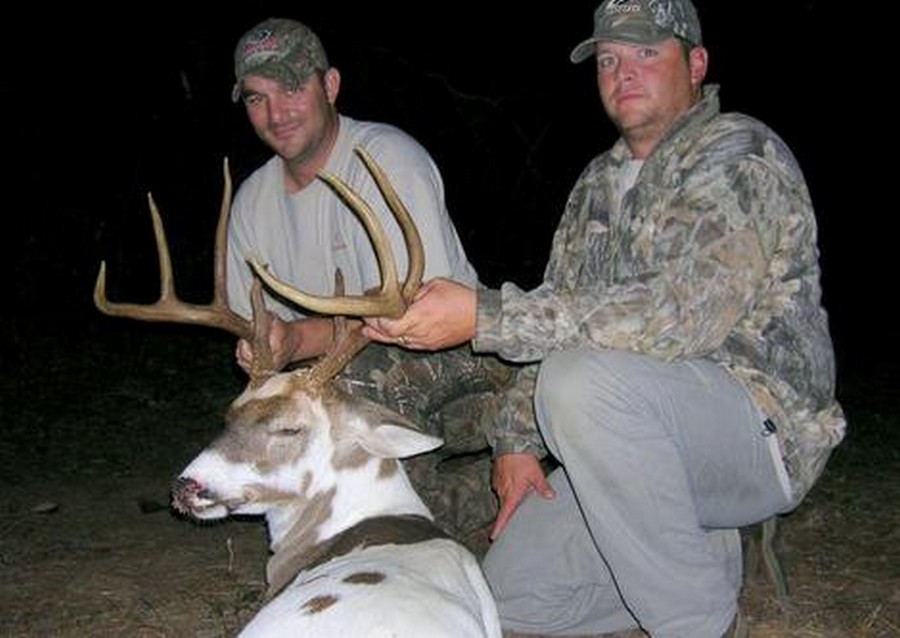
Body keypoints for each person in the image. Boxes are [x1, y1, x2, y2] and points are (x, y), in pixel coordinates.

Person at [364, 1, 846, 636]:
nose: (624, 72)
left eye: (648, 53)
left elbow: (673, 317)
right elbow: (566, 308)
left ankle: (698, 622)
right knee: (512, 599)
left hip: (760, 432)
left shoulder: (739, 151)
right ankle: (702, 551)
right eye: (610, 60)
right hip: (641, 439)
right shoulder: (597, 183)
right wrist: (516, 440)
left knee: (580, 383)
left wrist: (484, 315)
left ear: (697, 63)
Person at [224, 17, 515, 546]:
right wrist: (262, 348)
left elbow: (411, 318)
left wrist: (296, 339)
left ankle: (510, 483)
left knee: (357, 450)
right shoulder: (251, 202)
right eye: (256, 98)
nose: (275, 113)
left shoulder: (385, 158)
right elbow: (259, 325)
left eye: (291, 88)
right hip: (341, 374)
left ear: (330, 86)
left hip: (461, 362)